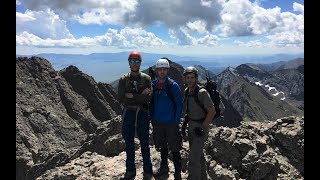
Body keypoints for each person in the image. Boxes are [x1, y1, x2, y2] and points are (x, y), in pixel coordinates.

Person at [118, 51, 153, 180]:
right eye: (132, 61)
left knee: (144, 142)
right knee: (129, 143)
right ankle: (130, 171)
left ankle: (147, 171)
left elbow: (148, 98)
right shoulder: (123, 79)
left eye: (137, 61)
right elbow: (121, 98)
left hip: (142, 113)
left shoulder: (146, 78)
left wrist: (132, 95)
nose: (134, 64)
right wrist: (140, 96)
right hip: (129, 113)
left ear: (140, 63)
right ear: (129, 63)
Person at [150, 58, 183, 180]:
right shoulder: (153, 85)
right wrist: (152, 118)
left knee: (175, 149)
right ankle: (164, 169)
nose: (162, 72)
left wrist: (175, 121)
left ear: (167, 70)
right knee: (163, 147)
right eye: (160, 69)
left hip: (170, 123)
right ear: (157, 71)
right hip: (158, 123)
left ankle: (178, 174)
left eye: (164, 69)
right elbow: (150, 102)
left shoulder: (172, 86)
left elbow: (179, 104)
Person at [182, 66, 216, 180]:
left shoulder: (202, 93)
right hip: (192, 127)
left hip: (200, 128)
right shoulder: (187, 91)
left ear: (196, 78)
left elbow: (212, 111)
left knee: (193, 158)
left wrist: (202, 127)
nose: (190, 80)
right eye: (187, 77)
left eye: (192, 77)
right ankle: (202, 177)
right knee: (198, 155)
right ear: (185, 79)